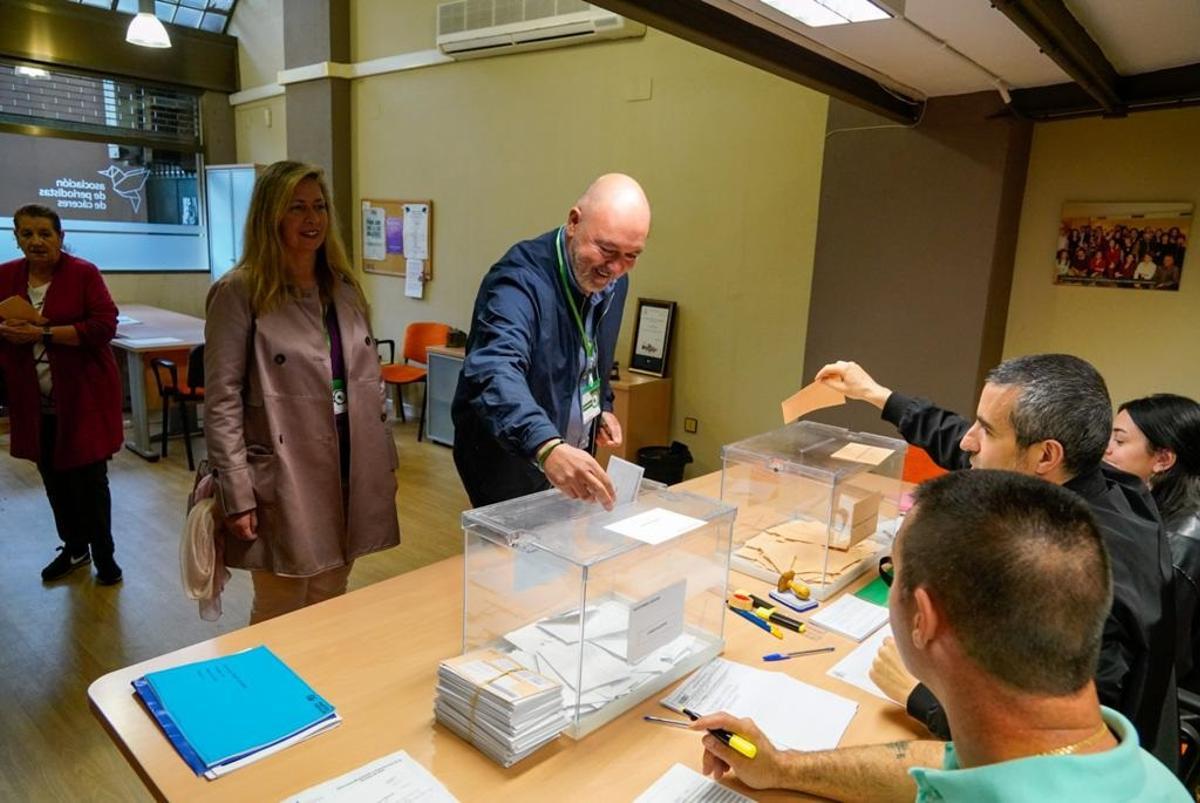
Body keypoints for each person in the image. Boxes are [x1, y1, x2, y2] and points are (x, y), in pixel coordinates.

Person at [694, 471, 1190, 802]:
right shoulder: (1116, 762)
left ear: (923, 619)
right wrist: (786, 767)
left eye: (895, 574)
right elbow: (942, 763)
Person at [814, 354, 1178, 770]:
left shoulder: (1077, 570)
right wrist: (877, 395)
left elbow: (1063, 749)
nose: (969, 441)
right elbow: (972, 450)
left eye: (985, 430)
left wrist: (924, 697)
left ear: (1045, 456)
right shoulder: (1106, 483)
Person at [204, 161, 400, 624]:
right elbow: (222, 400)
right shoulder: (240, 292)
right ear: (270, 216)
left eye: (319, 207)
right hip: (285, 470)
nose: (312, 219)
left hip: (350, 466)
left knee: (332, 592)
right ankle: (268, 696)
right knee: (281, 603)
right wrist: (237, 491)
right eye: (297, 208)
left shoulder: (345, 289)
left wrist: (385, 463)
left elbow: (371, 384)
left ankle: (317, 691)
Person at [452, 174, 651, 508]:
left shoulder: (615, 280)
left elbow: (590, 357)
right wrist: (546, 446)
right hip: (513, 456)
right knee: (515, 557)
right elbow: (495, 370)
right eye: (607, 250)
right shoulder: (517, 281)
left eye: (632, 255)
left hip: (566, 451)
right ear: (574, 222)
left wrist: (601, 407)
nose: (616, 268)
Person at [0, 204, 124, 585]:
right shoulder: (5, 276)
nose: (36, 241)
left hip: (83, 399)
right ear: (16, 238)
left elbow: (104, 326)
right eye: (27, 234)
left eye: (45, 234)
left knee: (90, 480)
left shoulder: (83, 273)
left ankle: (105, 555)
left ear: (60, 237)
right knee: (53, 479)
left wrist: (42, 333)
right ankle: (74, 548)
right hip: (34, 403)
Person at [1106, 394, 1200, 691]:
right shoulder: (1156, 514)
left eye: (1119, 442)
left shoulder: (1181, 541)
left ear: (1163, 459)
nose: (1105, 449)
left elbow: (1165, 656)